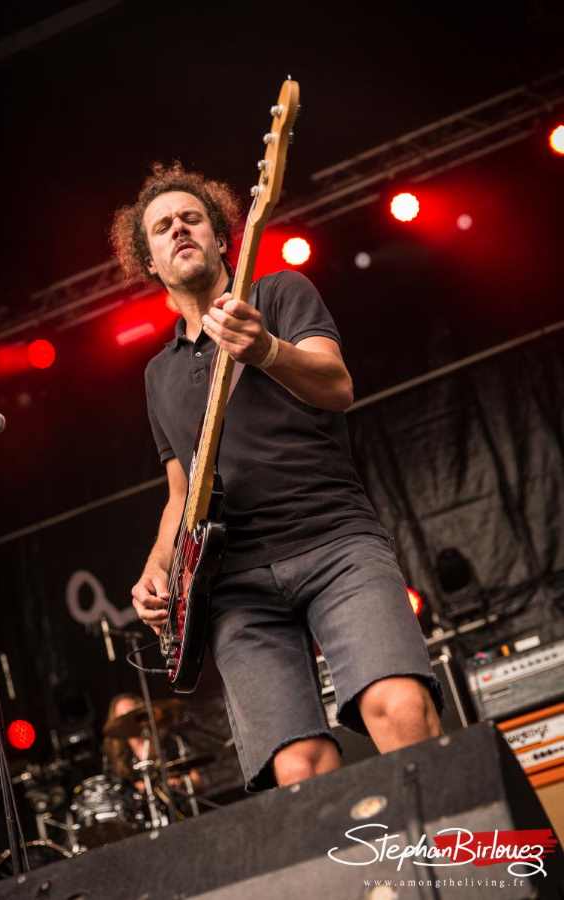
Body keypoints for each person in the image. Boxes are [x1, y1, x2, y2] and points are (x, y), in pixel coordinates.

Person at [111, 162, 444, 793]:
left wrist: (266, 350)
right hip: (234, 584)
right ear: (149, 261)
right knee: (299, 769)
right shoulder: (158, 375)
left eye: (191, 218)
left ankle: (456, 855)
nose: (179, 229)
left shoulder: (280, 294)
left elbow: (337, 386)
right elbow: (181, 492)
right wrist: (158, 568)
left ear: (220, 237)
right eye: (162, 226)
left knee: (400, 709)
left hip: (333, 542)